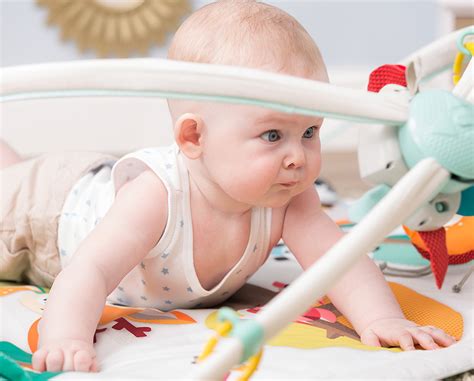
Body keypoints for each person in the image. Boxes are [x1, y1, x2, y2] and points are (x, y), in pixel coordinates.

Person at [0, 0, 456, 373]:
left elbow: (339, 263)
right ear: (194, 138)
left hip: (88, 178)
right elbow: (91, 271)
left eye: (310, 132)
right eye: (273, 136)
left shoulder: (289, 198)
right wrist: (65, 338)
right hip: (46, 214)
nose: (298, 156)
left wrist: (384, 319)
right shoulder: (157, 197)